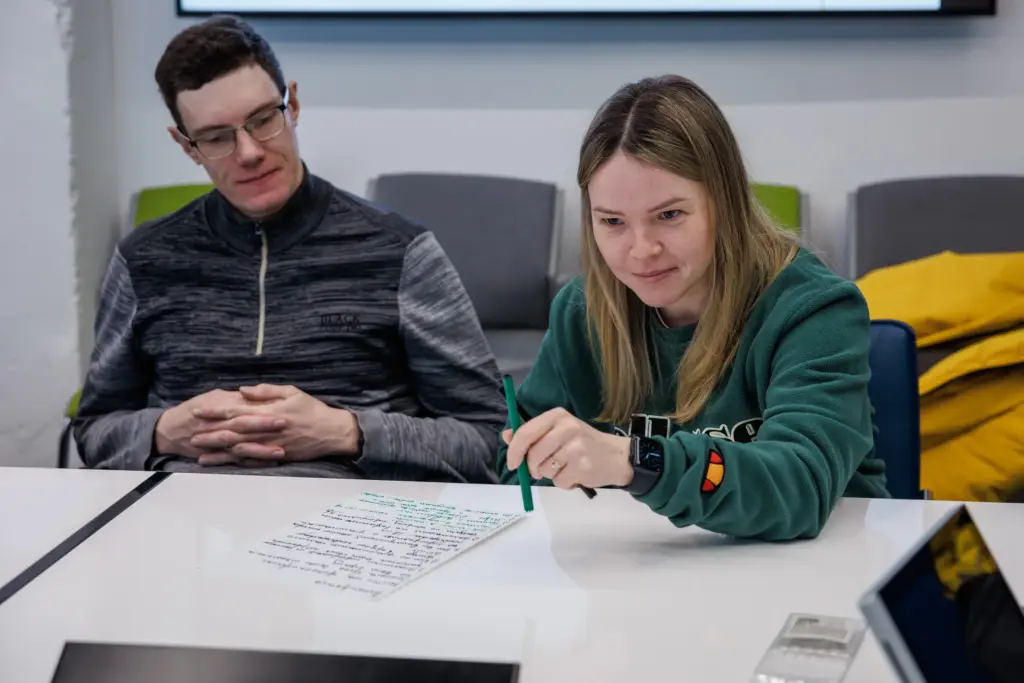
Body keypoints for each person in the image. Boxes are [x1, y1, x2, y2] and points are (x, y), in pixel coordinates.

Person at [74, 16, 504, 482]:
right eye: (217, 137)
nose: (249, 152)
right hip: (182, 510)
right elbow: (94, 430)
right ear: (187, 146)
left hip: (353, 513)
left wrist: (348, 433)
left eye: (263, 120)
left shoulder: (400, 253)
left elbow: (490, 439)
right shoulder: (144, 259)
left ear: (292, 105)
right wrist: (161, 432)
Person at [498, 75, 888, 540]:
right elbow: (518, 475)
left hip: (819, 568)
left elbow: (798, 489)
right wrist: (542, 461)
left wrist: (634, 461)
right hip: (640, 569)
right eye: (613, 222)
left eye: (669, 215)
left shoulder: (814, 309)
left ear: (724, 202)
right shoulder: (581, 311)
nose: (642, 250)